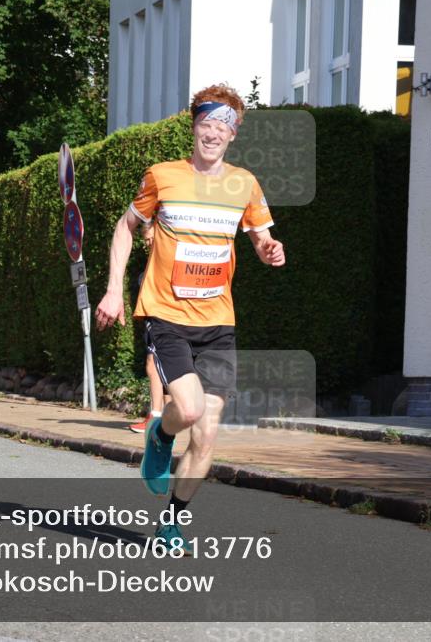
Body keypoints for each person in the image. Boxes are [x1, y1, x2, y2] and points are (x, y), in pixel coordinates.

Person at [95, 84, 285, 550]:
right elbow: (126, 227)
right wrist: (113, 290)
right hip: (166, 313)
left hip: (219, 321)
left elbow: (261, 239)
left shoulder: (245, 184)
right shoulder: (162, 176)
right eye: (207, 123)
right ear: (194, 126)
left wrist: (270, 250)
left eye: (224, 125)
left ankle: (173, 522)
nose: (214, 132)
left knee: (207, 434)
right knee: (191, 409)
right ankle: (161, 434)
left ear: (233, 134)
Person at [129, 224, 171, 434]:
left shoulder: (165, 258)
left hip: (162, 318)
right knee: (165, 368)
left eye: (150, 238)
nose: (148, 244)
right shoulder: (155, 259)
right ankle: (166, 418)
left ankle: (155, 416)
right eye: (145, 240)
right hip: (155, 317)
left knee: (152, 364)